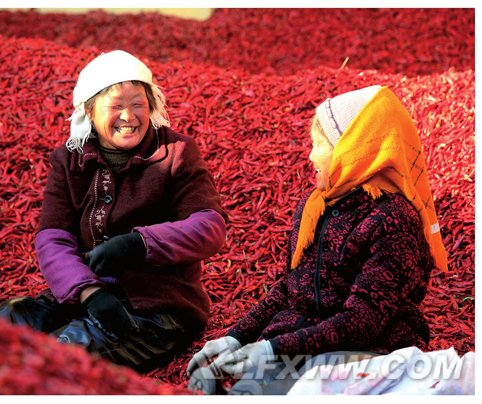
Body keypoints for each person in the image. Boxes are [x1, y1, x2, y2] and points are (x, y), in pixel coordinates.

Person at [186, 85, 448, 394]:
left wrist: (272, 349)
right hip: (305, 340)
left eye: (318, 145)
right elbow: (291, 289)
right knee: (227, 386)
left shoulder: (392, 219)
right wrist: (235, 338)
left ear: (350, 149)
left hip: (370, 351)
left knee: (279, 388)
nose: (310, 156)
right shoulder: (315, 207)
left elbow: (363, 320)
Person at [0, 50, 227, 373]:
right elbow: (52, 238)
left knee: (58, 358)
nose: (128, 117)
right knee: (4, 323)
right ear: (89, 111)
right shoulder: (69, 160)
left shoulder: (176, 153)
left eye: (138, 104)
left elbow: (210, 227)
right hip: (88, 293)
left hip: (159, 306)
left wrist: (139, 244)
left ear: (151, 106)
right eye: (116, 106)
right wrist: (88, 292)